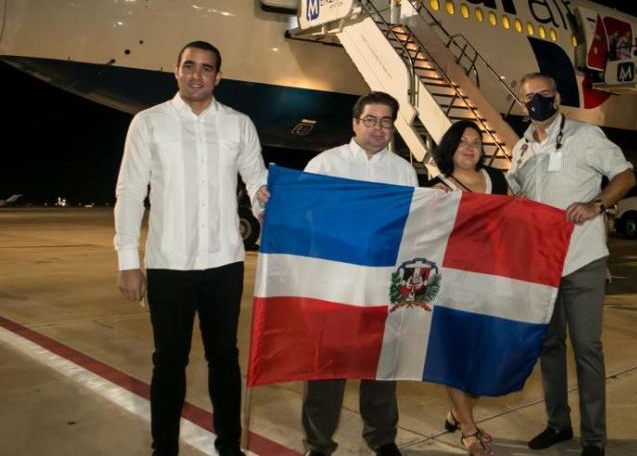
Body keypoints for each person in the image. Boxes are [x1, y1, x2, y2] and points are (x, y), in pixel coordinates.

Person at [114, 40, 270, 456]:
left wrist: (265, 204)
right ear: (176, 71)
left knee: (224, 360)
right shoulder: (149, 123)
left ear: (218, 76)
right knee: (169, 361)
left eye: (206, 68)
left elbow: (257, 182)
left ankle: (230, 447)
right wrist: (128, 261)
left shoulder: (239, 125)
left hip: (224, 263)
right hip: (169, 264)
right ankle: (163, 448)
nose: (196, 75)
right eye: (189, 66)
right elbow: (130, 193)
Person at [507, 73, 636, 456]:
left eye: (543, 95)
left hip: (582, 260)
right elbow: (517, 200)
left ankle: (594, 439)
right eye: (528, 96)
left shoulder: (586, 136)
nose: (536, 102)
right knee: (549, 347)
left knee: (586, 350)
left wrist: (597, 204)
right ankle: (558, 423)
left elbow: (626, 176)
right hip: (542, 266)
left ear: (557, 97)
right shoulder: (520, 150)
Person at [300, 91, 416, 456]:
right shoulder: (324, 165)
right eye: (370, 120)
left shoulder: (403, 171)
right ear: (355, 123)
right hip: (333, 288)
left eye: (385, 121)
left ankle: (382, 438)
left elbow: (412, 230)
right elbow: (303, 219)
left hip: (381, 289)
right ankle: (318, 443)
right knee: (325, 373)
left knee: (380, 370)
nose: (378, 128)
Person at [424, 120, 508, 456]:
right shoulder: (438, 187)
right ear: (450, 148)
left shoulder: (498, 181)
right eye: (462, 142)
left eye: (476, 141)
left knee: (489, 359)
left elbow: (517, 220)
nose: (470, 147)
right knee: (457, 358)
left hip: (495, 281)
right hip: (454, 285)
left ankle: (459, 412)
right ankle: (469, 430)